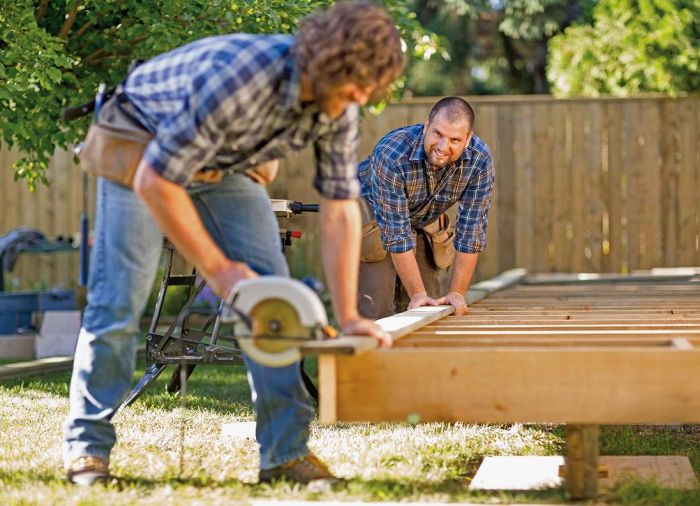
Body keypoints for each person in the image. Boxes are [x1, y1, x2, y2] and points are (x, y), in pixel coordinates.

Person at [63, 1, 403, 487]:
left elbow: (340, 208)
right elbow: (158, 181)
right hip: (140, 145)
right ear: (324, 62)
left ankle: (284, 455)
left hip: (217, 163)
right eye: (352, 83)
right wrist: (220, 272)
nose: (358, 96)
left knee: (273, 298)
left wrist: (348, 315)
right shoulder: (242, 78)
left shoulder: (339, 106)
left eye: (367, 88)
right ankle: (87, 452)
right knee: (121, 295)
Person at [357, 97, 494, 319]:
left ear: (468, 139)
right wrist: (417, 294)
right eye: (437, 134)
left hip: (424, 215)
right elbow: (396, 234)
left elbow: (472, 232)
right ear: (426, 125)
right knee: (379, 301)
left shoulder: (479, 161)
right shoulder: (392, 153)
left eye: (454, 140)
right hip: (374, 211)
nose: (442, 147)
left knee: (429, 306)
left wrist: (457, 293)